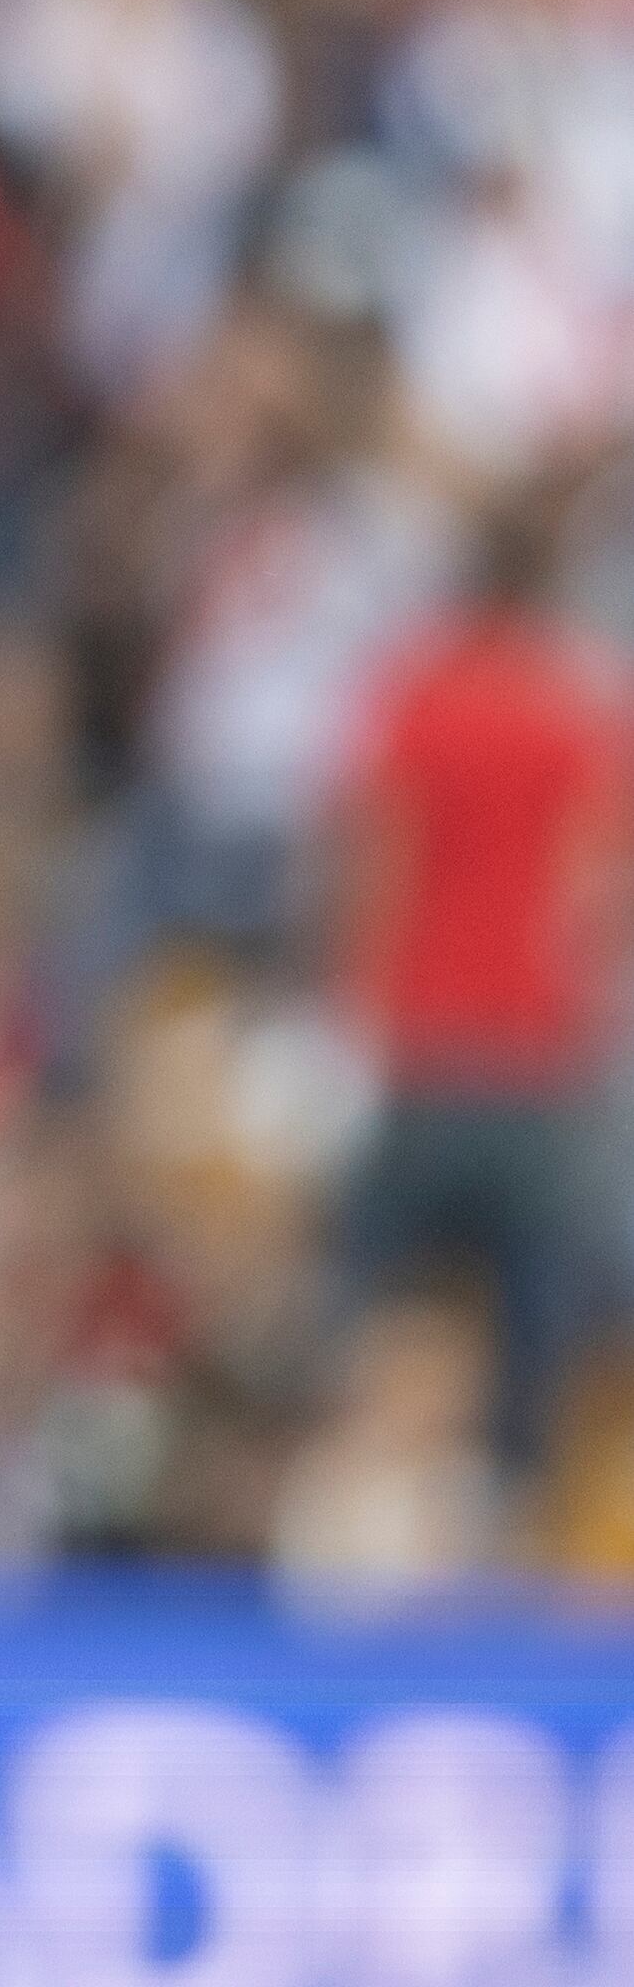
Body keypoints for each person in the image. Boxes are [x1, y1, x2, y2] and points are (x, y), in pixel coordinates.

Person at [328, 491, 625, 1474]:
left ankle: (369, 1472)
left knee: (379, 1285)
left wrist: (356, 997)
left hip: (425, 1038)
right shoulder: (574, 701)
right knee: (535, 1304)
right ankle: (512, 1489)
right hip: (533, 1047)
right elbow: (598, 884)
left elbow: (381, 858)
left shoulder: (417, 691)